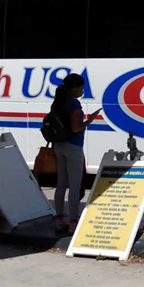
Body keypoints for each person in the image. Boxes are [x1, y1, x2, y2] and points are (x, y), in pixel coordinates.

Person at [51, 73, 100, 234]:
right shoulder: (74, 105)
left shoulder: (57, 103)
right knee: (74, 185)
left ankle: (59, 220)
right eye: (81, 88)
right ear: (75, 88)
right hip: (73, 147)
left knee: (60, 184)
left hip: (58, 146)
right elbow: (75, 128)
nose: (82, 91)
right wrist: (89, 120)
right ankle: (73, 221)